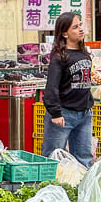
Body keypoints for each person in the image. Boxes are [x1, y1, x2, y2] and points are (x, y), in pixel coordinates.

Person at [42, 13, 94, 167]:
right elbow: (51, 87)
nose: (81, 29)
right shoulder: (59, 57)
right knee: (53, 157)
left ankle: (82, 182)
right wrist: (55, 113)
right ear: (65, 33)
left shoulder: (84, 54)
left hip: (85, 113)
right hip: (63, 114)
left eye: (80, 25)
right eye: (75, 27)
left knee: (84, 157)